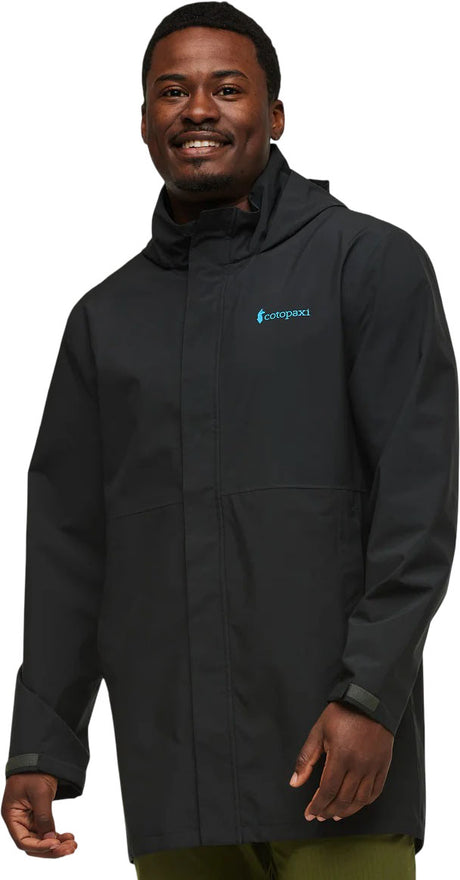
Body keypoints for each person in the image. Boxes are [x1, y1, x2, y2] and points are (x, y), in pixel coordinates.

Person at [2, 2, 458, 878]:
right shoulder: (105, 322)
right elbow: (68, 550)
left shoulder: (368, 265)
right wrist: (41, 743)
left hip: (338, 765)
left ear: (275, 114)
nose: (198, 110)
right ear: (144, 121)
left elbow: (417, 508)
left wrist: (371, 696)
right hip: (177, 781)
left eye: (227, 88)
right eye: (172, 91)